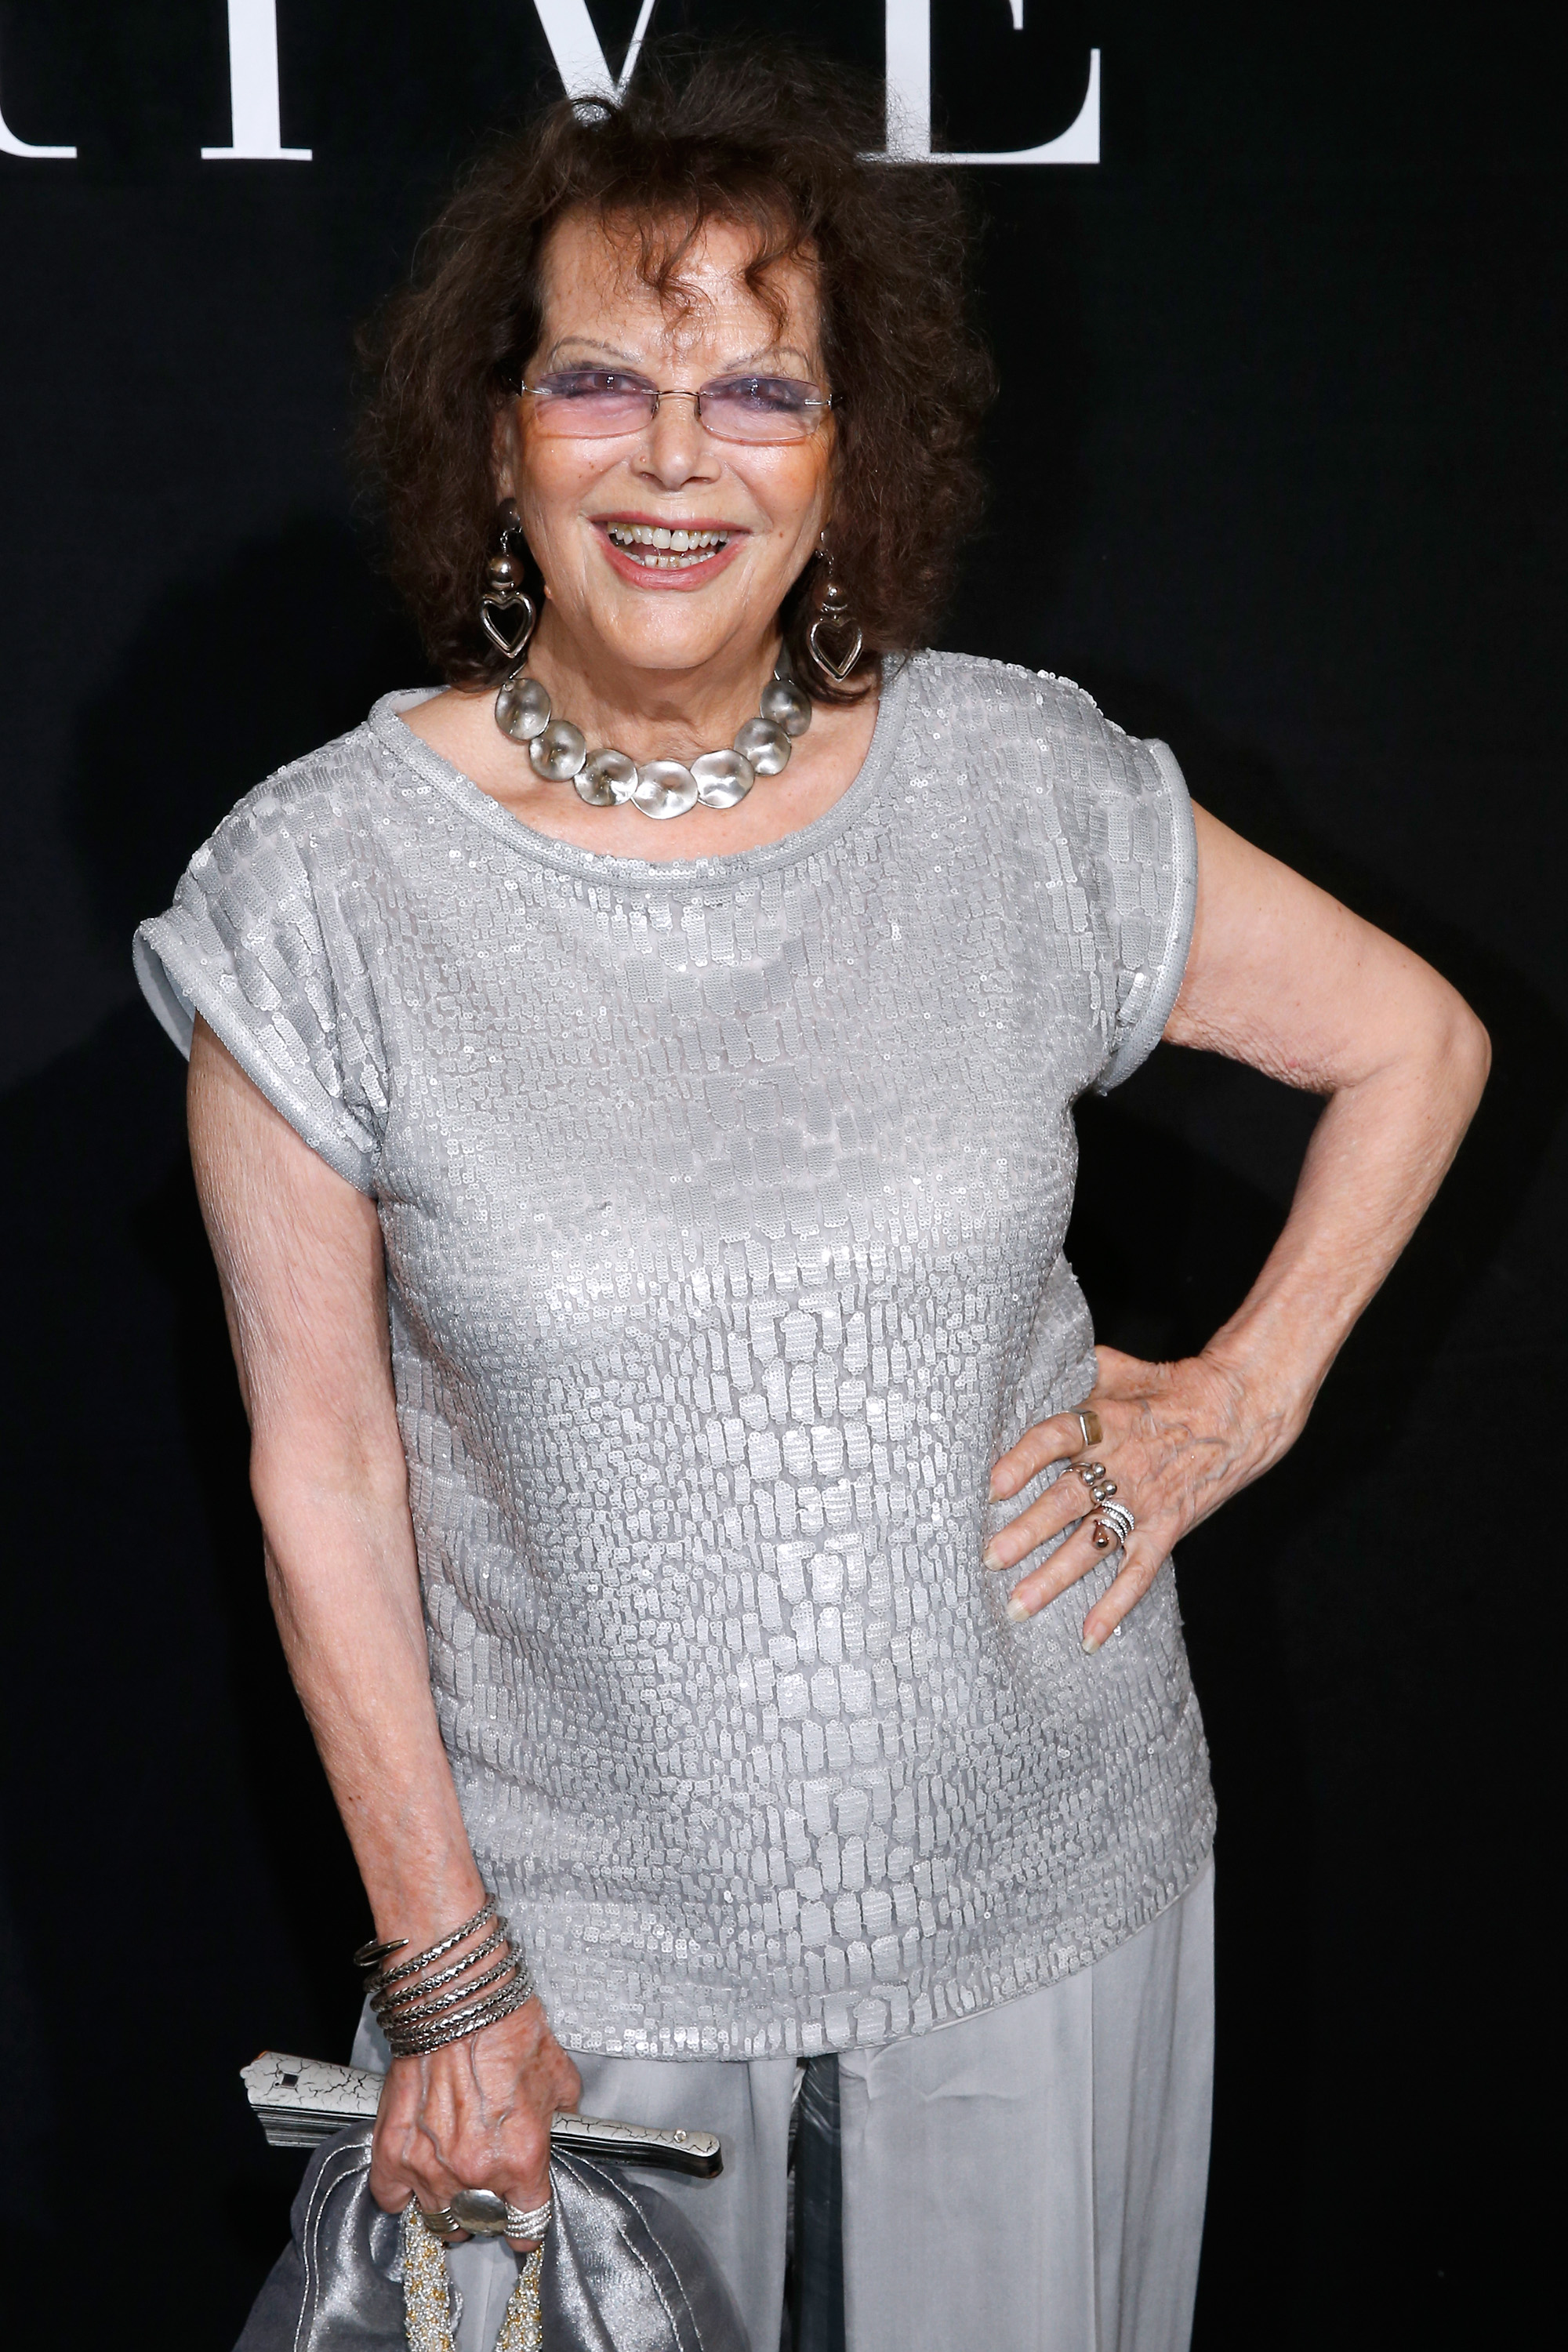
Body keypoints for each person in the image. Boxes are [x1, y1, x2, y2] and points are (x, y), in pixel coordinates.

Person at [133, 48, 1488, 2352]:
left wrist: (1246, 1397)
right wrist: (448, 1978)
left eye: (763, 389)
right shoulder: (315, 893)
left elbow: (1416, 1042)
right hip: (578, 1974)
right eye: (603, 380)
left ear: (850, 458)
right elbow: (325, 1478)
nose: (680, 458)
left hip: (1048, 1905)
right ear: (494, 438)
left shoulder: (1016, 791)